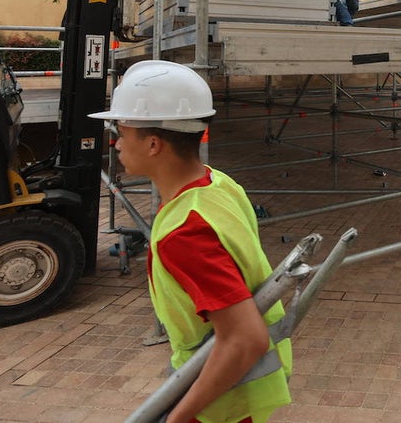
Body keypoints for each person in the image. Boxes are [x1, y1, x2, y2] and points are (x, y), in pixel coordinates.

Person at [90, 61, 291, 423]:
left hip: (220, 402)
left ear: (153, 143)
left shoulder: (185, 234)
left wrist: (177, 417)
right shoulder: (216, 184)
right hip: (229, 384)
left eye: (122, 131)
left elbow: (245, 340)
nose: (116, 143)